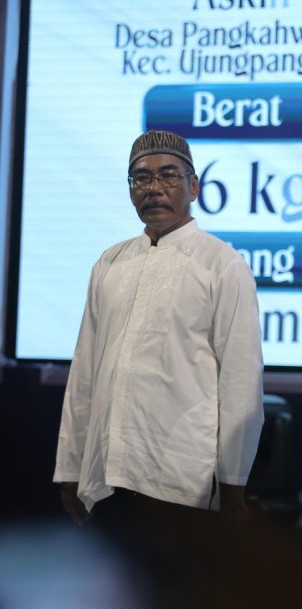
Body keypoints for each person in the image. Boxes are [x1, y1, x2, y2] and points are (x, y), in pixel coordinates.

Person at [54, 130, 264, 532]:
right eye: (141, 178)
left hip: (180, 477)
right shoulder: (109, 263)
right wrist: (70, 465)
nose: (153, 188)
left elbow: (240, 380)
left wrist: (233, 482)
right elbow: (84, 373)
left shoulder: (222, 265)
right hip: (105, 474)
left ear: (194, 186)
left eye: (168, 175)